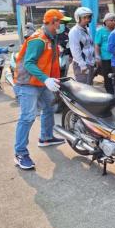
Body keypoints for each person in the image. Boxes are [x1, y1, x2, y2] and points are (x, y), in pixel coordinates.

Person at [13, 9, 67, 170]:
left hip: (41, 83)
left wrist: (54, 80)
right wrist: (46, 79)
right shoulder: (38, 39)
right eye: (60, 22)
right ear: (53, 21)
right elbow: (29, 63)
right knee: (27, 117)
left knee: (49, 108)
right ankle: (20, 153)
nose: (62, 25)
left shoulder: (51, 37)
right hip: (27, 83)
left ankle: (46, 137)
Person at [69, 7, 95, 84]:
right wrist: (82, 65)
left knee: (89, 86)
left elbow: (90, 46)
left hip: (90, 62)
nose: (87, 19)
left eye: (89, 17)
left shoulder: (87, 29)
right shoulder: (74, 31)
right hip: (81, 64)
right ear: (78, 18)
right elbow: (75, 49)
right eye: (85, 17)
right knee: (83, 88)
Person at [94, 12, 115, 94]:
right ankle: (110, 94)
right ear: (106, 21)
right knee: (108, 78)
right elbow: (97, 45)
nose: (114, 22)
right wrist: (97, 56)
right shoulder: (100, 31)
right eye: (112, 20)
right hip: (105, 59)